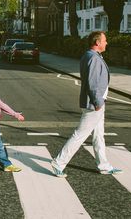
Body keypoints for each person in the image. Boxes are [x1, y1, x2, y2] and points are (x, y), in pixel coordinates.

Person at [51, 31, 122, 178]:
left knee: (98, 136)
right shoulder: (93, 58)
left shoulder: (90, 56)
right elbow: (93, 83)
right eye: (104, 40)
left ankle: (104, 166)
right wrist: (97, 102)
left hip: (97, 102)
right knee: (80, 135)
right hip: (94, 104)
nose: (106, 43)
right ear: (97, 43)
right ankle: (59, 162)